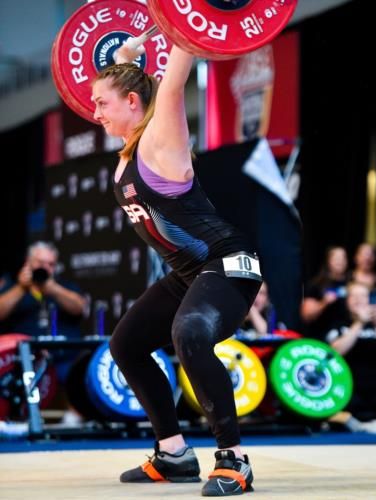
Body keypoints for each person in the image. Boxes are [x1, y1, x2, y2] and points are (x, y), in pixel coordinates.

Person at [91, 42, 263, 496]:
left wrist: (183, 20)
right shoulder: (130, 151)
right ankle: (174, 454)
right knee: (126, 343)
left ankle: (235, 460)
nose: (95, 112)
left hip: (227, 263)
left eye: (101, 103)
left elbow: (176, 70)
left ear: (132, 103)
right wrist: (127, 57)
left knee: (190, 333)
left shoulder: (160, 137)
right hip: (189, 271)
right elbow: (134, 83)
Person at [0, 241, 87, 423]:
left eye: (50, 264)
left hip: (63, 357)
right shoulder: (12, 284)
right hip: (22, 358)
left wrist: (52, 288)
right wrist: (21, 287)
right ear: (28, 262)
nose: (45, 268)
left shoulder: (63, 285)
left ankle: (74, 420)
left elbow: (79, 307)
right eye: (40, 263)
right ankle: (14, 419)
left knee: (81, 371)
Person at [325, 281, 376, 420]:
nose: (359, 300)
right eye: (354, 296)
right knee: (351, 412)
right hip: (348, 388)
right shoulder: (339, 324)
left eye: (363, 296)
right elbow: (335, 353)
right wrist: (359, 323)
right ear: (347, 301)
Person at [300, 245, 350, 339]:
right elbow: (306, 316)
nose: (340, 261)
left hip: (347, 333)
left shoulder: (352, 283)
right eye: (336, 258)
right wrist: (323, 303)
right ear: (328, 261)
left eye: (343, 257)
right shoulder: (317, 285)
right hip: (322, 336)